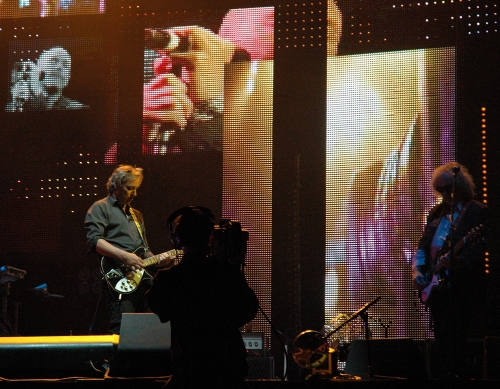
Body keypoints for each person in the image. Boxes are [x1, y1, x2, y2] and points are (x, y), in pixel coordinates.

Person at [146, 206, 259, 388]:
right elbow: (248, 309)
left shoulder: (167, 279)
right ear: (210, 236)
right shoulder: (227, 273)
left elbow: (161, 310)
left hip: (189, 370)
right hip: (228, 370)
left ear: (177, 239)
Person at [412, 162, 489, 379]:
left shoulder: (477, 211)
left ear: (460, 186)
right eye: (440, 190)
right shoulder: (437, 212)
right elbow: (423, 245)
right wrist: (418, 272)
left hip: (462, 288)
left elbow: (479, 248)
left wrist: (455, 262)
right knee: (441, 341)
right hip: (437, 288)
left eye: (448, 188)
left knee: (456, 340)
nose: (444, 194)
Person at [84, 165, 171, 334]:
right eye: (130, 188)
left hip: (143, 281)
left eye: (136, 189)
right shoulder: (101, 208)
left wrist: (158, 260)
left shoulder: (136, 215)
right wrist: (125, 257)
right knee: (124, 331)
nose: (134, 194)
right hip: (119, 278)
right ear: (116, 184)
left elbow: (144, 250)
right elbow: (95, 242)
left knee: (152, 330)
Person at [5, 46, 89, 111]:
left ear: (69, 77)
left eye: (65, 65)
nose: (59, 67)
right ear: (38, 67)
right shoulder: (12, 107)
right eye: (53, 61)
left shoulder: (79, 108)